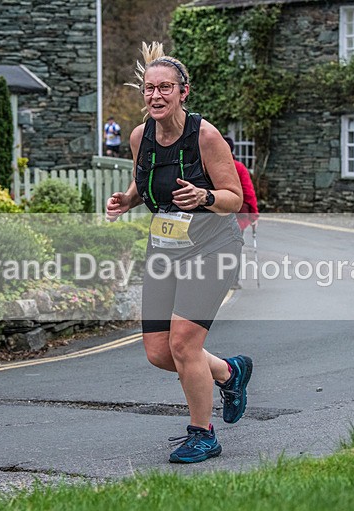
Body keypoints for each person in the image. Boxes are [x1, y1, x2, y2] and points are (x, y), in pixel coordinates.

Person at [106, 42, 253, 464]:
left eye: (165, 88)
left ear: (183, 92)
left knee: (185, 344)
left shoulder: (205, 136)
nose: (156, 96)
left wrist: (204, 195)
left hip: (212, 246)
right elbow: (147, 178)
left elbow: (235, 197)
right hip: (165, 247)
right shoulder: (140, 136)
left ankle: (202, 433)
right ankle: (228, 371)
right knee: (158, 351)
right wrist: (129, 199)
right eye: (150, 89)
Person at [222, 135, 259, 233]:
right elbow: (248, 193)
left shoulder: (207, 167)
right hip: (237, 216)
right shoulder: (239, 167)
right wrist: (253, 216)